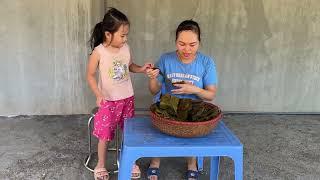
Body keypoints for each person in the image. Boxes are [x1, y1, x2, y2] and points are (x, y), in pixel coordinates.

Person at [146, 20, 218, 180]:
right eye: (182, 44)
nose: (187, 49)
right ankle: (155, 160)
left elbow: (211, 95)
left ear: (199, 42)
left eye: (192, 45)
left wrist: (194, 89)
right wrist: (152, 78)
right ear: (175, 42)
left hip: (192, 110)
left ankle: (192, 162)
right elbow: (154, 90)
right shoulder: (166, 59)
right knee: (160, 126)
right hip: (167, 107)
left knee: (193, 126)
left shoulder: (206, 62)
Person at [87, 8, 151, 180]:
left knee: (128, 132)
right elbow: (90, 75)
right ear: (108, 34)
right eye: (122, 35)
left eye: (126, 35)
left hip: (127, 98)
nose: (125, 39)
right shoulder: (99, 52)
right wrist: (98, 94)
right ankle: (100, 164)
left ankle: (129, 161)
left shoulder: (126, 48)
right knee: (105, 134)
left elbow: (129, 66)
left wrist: (141, 69)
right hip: (108, 101)